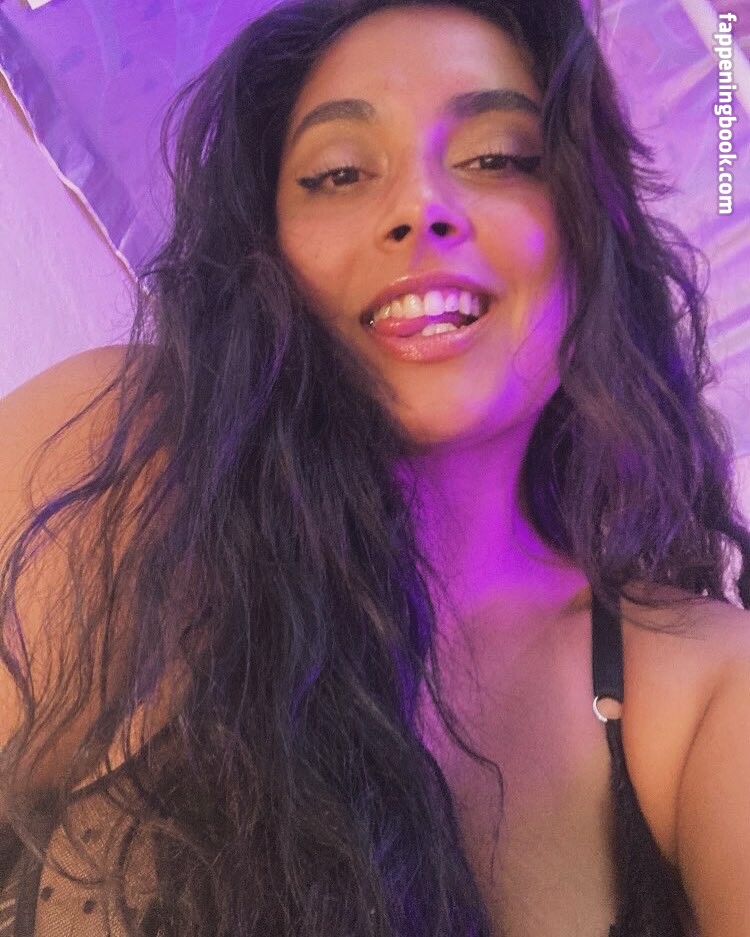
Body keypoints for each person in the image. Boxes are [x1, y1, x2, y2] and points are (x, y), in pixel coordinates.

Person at [0, 0, 748, 934]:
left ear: (590, 234)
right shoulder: (122, 456)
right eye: (339, 173)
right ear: (264, 251)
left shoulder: (700, 685)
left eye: (497, 157)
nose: (419, 209)